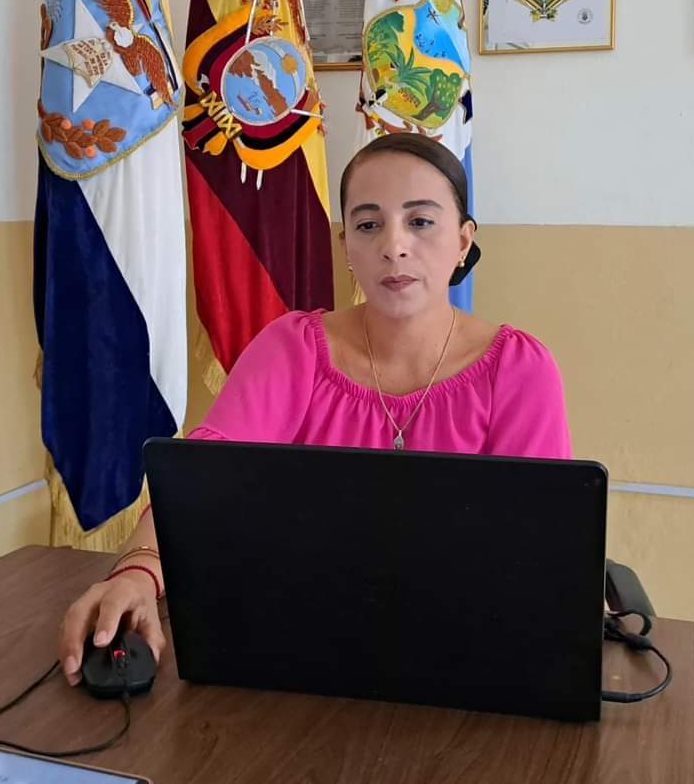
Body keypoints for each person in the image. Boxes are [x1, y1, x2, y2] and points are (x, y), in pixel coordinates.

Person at [58, 133, 572, 684]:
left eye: (421, 221)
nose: (394, 246)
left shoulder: (518, 368)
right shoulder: (292, 348)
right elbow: (201, 482)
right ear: (346, 245)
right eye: (368, 225)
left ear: (464, 241)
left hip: (466, 655)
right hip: (302, 648)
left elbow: (537, 545)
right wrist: (137, 573)